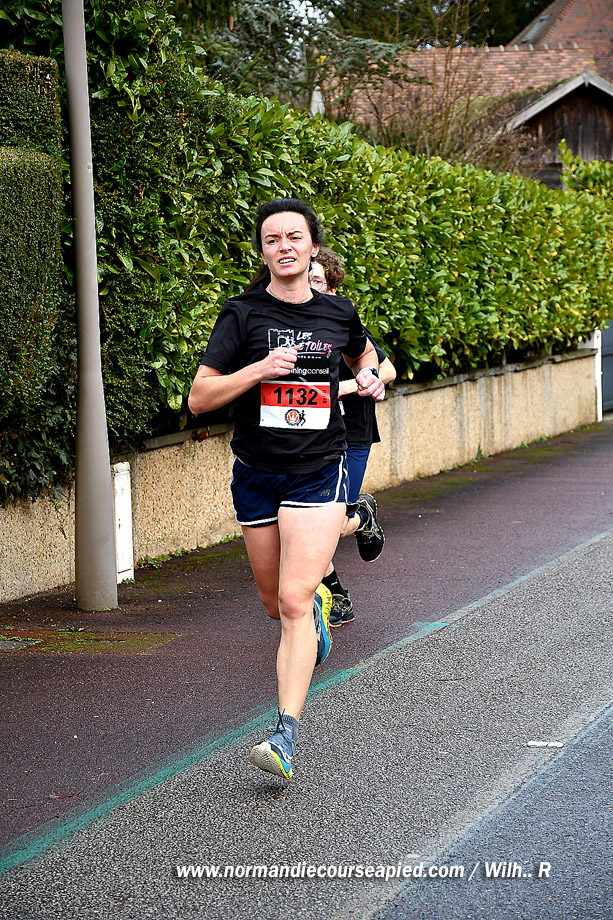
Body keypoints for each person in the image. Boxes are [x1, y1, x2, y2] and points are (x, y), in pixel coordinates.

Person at [188, 198, 385, 780]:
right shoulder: (242, 314)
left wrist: (369, 378)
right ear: (263, 251)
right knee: (275, 604)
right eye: (272, 239)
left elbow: (367, 356)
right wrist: (259, 370)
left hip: (318, 469)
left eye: (294, 237)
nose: (284, 247)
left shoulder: (338, 311)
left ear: (312, 246)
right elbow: (199, 398)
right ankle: (314, 611)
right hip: (256, 472)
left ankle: (284, 736)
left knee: (293, 601)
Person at [310, 250, 396, 627]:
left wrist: (351, 385)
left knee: (328, 523)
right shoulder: (289, 325)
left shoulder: (342, 322)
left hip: (352, 433)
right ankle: (336, 595)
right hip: (312, 435)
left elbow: (386, 369)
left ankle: (361, 515)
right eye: (306, 280)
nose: (310, 288)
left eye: (317, 281)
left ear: (331, 288)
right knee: (309, 519)